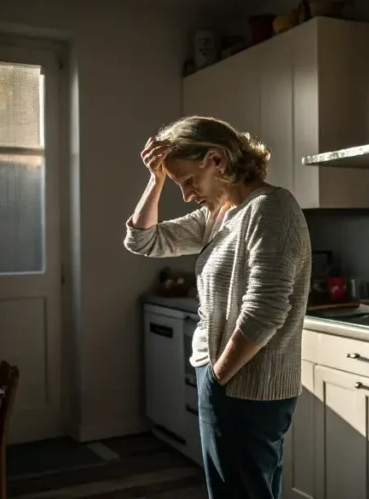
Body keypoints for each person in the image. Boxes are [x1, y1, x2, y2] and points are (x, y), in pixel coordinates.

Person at [123, 116, 311, 499]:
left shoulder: (270, 209)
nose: (188, 194)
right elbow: (142, 241)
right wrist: (155, 180)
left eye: (189, 181)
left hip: (246, 384)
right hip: (226, 376)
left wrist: (219, 377)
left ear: (217, 161)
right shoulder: (221, 215)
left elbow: (267, 308)